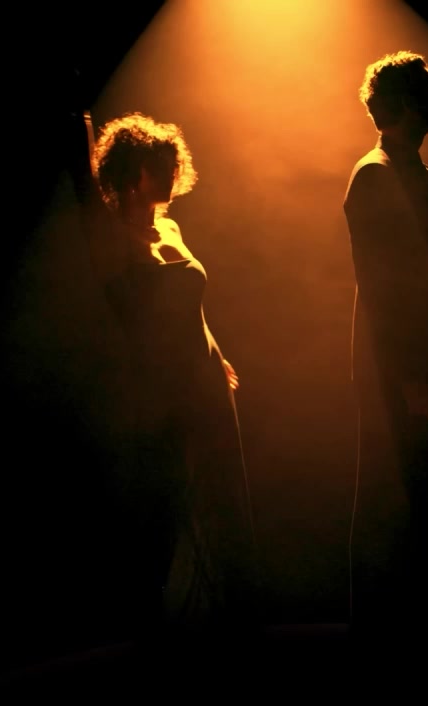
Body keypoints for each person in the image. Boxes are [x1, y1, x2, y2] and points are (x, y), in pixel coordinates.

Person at [78, 111, 260, 642]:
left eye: (173, 164)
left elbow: (190, 308)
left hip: (208, 386)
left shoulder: (171, 227)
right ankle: (153, 633)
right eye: (160, 166)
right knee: (165, 512)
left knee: (225, 506)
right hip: (164, 393)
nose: (172, 175)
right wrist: (79, 117)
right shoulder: (112, 237)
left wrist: (218, 357)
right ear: (132, 173)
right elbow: (83, 183)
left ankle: (235, 626)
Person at [343, 51, 428, 642]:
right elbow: (381, 288)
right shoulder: (375, 177)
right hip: (398, 368)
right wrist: (408, 377)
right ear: (399, 105)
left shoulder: (425, 177)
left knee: (425, 498)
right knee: (393, 500)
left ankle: (412, 627)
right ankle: (380, 633)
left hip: (426, 366)